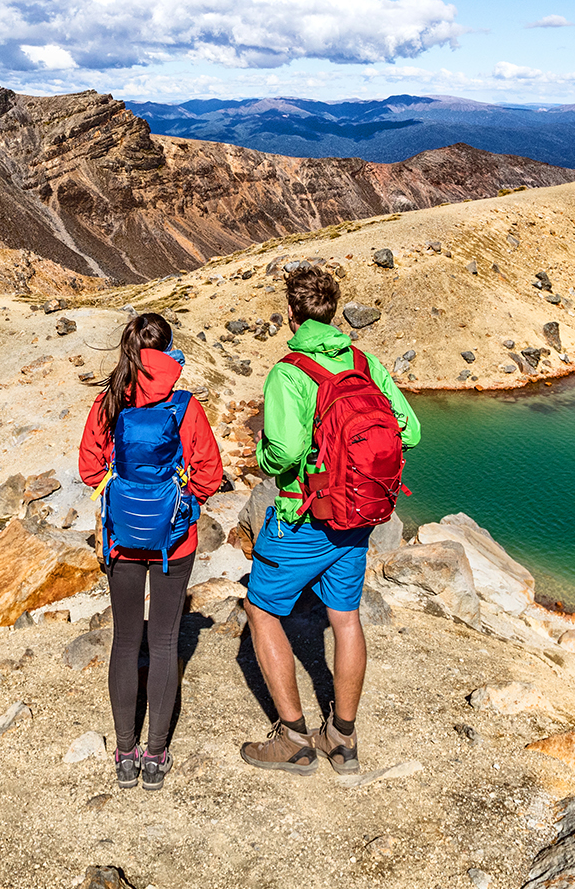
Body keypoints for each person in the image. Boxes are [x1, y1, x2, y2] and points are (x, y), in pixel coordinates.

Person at [240, 267, 419, 774]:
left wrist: (268, 456)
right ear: (333, 310)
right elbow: (411, 429)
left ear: (291, 314)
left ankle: (294, 739)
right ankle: (342, 740)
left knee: (261, 609)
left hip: (305, 517)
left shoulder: (289, 372)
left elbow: (285, 453)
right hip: (358, 517)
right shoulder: (363, 361)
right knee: (345, 618)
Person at [78, 312, 222, 790]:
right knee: (163, 642)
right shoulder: (185, 407)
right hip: (174, 542)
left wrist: (121, 494)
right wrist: (179, 505)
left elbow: (88, 468)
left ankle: (124, 753)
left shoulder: (109, 402)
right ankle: (156, 755)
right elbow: (210, 473)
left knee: (125, 640)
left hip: (121, 537)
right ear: (170, 349)